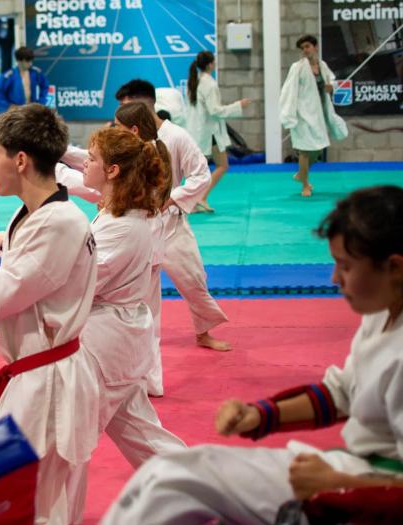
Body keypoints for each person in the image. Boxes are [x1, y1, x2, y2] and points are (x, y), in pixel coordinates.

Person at [101, 186, 403, 525]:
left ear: (394, 267)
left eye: (345, 266)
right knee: (168, 475)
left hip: (375, 489)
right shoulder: (381, 314)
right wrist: (260, 415)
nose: (334, 278)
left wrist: (341, 485)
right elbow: (342, 394)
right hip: (353, 471)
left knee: (173, 481)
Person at [0, 104, 100, 524]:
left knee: (41, 500)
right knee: (25, 496)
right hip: (33, 372)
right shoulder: (31, 213)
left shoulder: (60, 222)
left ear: (21, 160)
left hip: (50, 380)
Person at [79, 127, 187, 473]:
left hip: (108, 344)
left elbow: (81, 283)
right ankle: (213, 485)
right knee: (144, 436)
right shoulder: (116, 214)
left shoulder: (123, 225)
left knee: (66, 442)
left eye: (92, 158)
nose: (85, 162)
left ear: (112, 171)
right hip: (117, 341)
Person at [114, 81, 231, 395]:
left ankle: (204, 331)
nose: (122, 117)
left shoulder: (176, 136)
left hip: (172, 223)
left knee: (195, 281)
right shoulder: (124, 139)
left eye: (128, 106)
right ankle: (147, 374)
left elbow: (200, 174)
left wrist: (173, 197)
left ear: (146, 104)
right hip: (139, 228)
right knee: (144, 302)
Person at [280, 35, 348, 197]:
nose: (305, 50)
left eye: (307, 46)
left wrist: (331, 87)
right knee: (304, 151)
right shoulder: (297, 67)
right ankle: (305, 185)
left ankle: (300, 174)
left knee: (317, 150)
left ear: (315, 47)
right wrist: (288, 114)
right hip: (302, 114)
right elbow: (288, 91)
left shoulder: (322, 66)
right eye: (302, 48)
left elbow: (332, 81)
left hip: (319, 114)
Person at [185, 51, 250, 212]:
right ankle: (201, 198)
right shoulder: (209, 84)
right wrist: (238, 106)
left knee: (199, 169)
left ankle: (196, 200)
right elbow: (215, 110)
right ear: (210, 65)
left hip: (198, 130)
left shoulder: (195, 81)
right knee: (222, 165)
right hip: (210, 132)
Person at [0, 46, 50, 113]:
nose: (30, 63)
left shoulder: (35, 72)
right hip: (16, 111)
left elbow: (45, 86)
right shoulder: (9, 75)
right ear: (19, 61)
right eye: (27, 61)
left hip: (31, 110)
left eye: (31, 60)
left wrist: (41, 102)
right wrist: (8, 106)